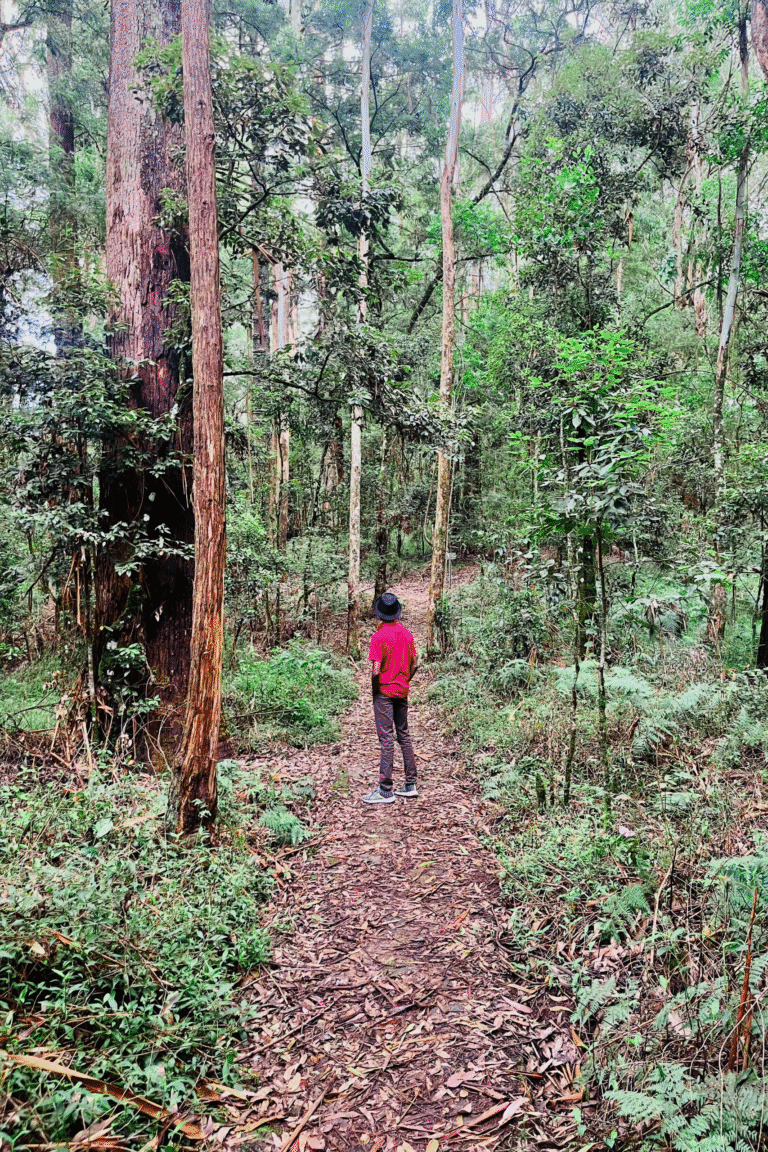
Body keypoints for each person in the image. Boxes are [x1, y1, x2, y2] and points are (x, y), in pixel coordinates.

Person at [362, 591, 419, 805]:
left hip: (384, 693)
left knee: (386, 739)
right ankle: (410, 784)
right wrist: (405, 679)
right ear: (397, 613)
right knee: (403, 735)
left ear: (380, 614)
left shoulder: (378, 637)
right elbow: (415, 664)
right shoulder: (407, 634)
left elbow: (376, 671)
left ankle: (386, 790)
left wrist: (375, 690)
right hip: (401, 691)